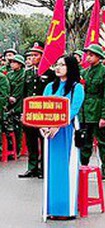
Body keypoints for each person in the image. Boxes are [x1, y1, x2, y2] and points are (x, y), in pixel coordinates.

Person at [42, 55, 85, 220]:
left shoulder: (76, 88)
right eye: (56, 64)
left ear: (71, 67)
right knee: (52, 169)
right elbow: (42, 108)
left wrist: (58, 125)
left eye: (62, 65)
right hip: (50, 134)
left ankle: (67, 210)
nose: (58, 67)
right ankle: (51, 208)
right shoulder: (49, 87)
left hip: (68, 132)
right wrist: (44, 126)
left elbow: (73, 110)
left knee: (66, 169)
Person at [79, 44, 105, 178]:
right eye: (87, 54)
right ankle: (83, 167)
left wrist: (104, 116)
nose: (88, 57)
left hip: (98, 111)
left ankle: (104, 168)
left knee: (103, 142)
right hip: (85, 112)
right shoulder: (84, 73)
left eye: (91, 55)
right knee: (85, 142)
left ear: (99, 57)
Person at [20, 43, 56, 178]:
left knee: (44, 139)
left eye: (36, 55)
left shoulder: (50, 73)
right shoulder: (28, 73)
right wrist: (23, 112)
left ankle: (44, 167)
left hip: (44, 112)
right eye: (31, 55)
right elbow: (24, 94)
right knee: (31, 140)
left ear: (42, 56)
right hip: (30, 112)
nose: (33, 58)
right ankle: (32, 167)